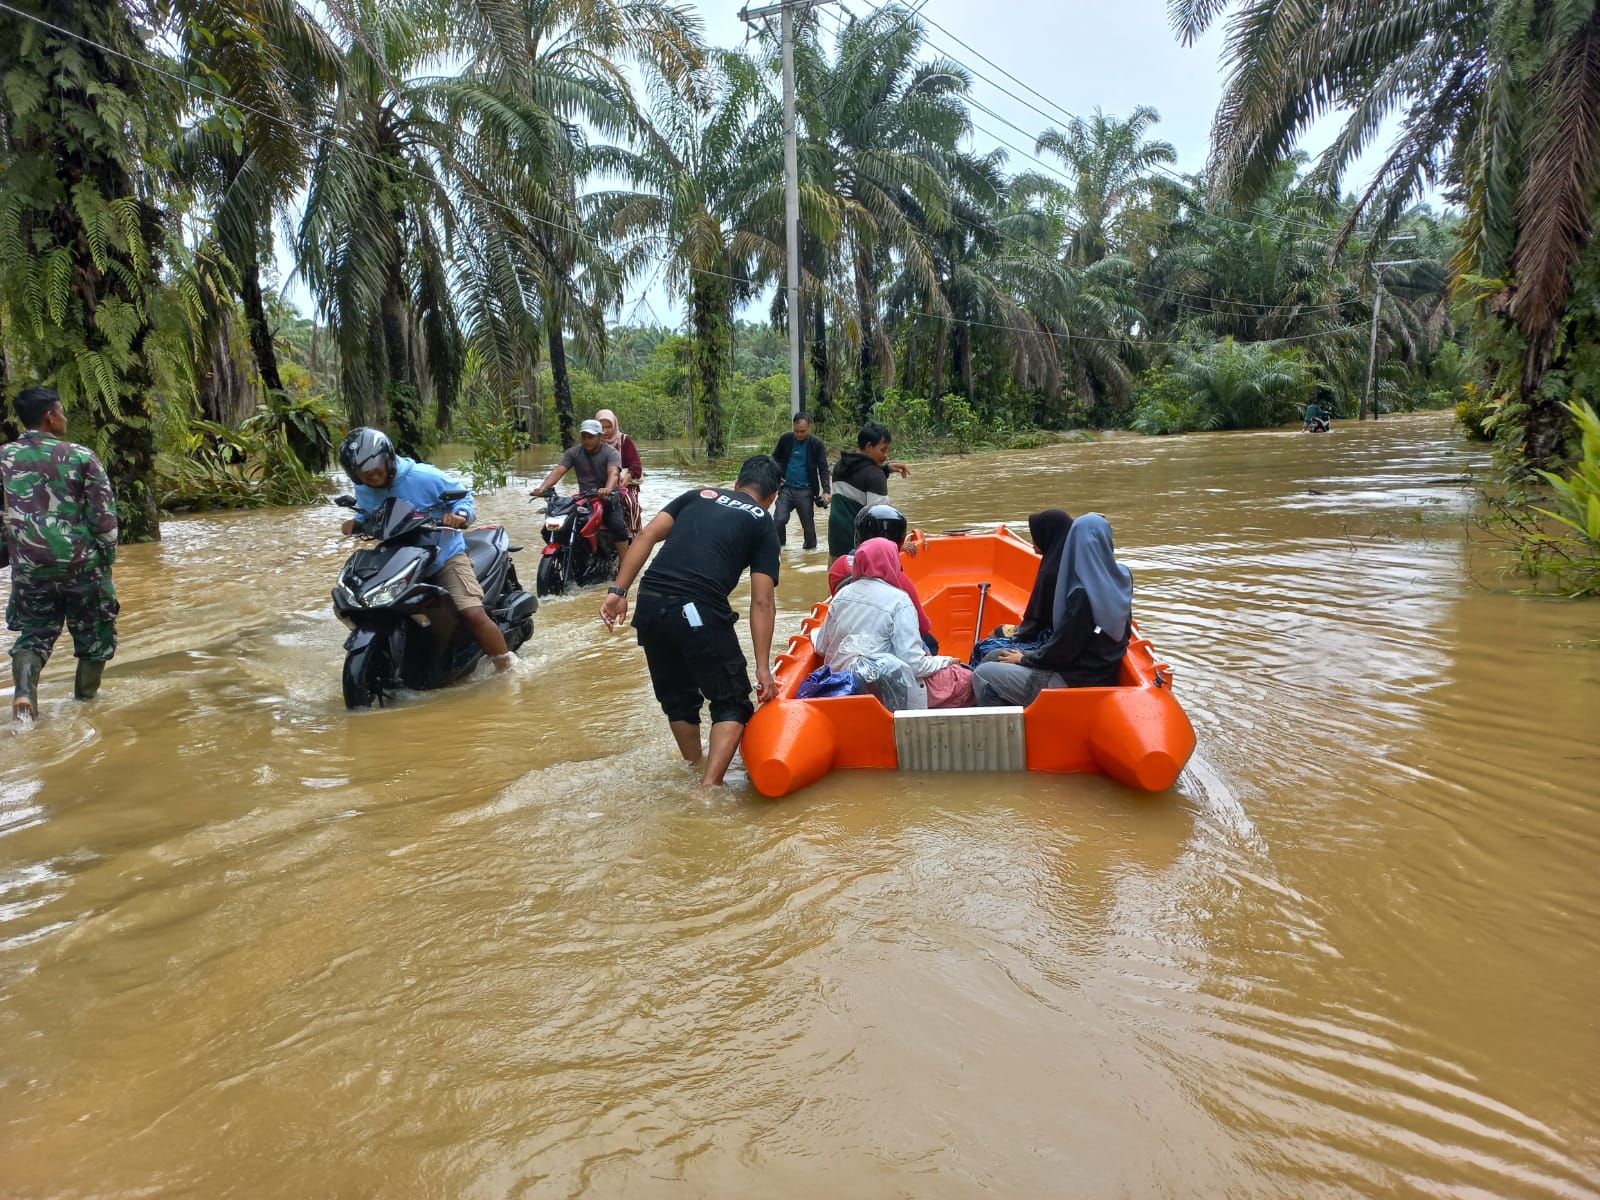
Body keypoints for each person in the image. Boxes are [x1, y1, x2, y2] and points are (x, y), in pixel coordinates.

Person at [600, 455, 782, 789]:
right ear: (773, 496)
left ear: (738, 482)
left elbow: (645, 537)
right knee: (733, 702)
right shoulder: (761, 520)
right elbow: (762, 600)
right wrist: (762, 667)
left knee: (678, 698)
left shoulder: (698, 494)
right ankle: (708, 788)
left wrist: (618, 590)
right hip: (696, 608)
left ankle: (693, 768)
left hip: (650, 604)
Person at [339, 427, 515, 672]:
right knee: (368, 603)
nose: (371, 476)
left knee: (472, 613)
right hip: (398, 556)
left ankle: (507, 667)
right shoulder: (363, 488)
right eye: (362, 473)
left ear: (387, 458)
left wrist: (460, 515)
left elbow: (464, 496)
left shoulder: (423, 476)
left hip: (443, 554)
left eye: (374, 469)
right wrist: (357, 522)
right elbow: (371, 513)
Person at [1, 386, 120, 719]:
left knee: (34, 634)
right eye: (62, 411)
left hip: (30, 567)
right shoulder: (81, 456)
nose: (65, 416)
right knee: (96, 636)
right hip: (83, 566)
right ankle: (85, 705)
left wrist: (12, 555)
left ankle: (25, 694)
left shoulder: (3, 458)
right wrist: (105, 561)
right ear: (49, 416)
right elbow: (104, 520)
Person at [972, 513, 1132, 707]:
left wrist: (1025, 659)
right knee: (995, 656)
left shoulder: (1083, 593)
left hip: (1074, 679)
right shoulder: (1122, 578)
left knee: (984, 673)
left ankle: (1006, 733)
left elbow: (1063, 651)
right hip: (1096, 670)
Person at [813, 537, 972, 710]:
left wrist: (815, 632)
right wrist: (947, 661)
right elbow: (915, 665)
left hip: (843, 687)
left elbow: (821, 646)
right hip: (887, 691)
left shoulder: (841, 596)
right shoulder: (899, 601)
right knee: (969, 680)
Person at [969, 509, 1073, 664]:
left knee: (982, 647)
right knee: (999, 631)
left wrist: (1018, 636)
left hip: (1047, 640)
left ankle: (971, 683)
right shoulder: (1063, 560)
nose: (1033, 543)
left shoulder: (1051, 572)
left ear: (1047, 535)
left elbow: (1037, 623)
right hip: (1052, 635)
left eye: (1036, 537)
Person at [533, 418, 630, 544]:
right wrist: (543, 488)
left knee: (617, 528)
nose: (587, 440)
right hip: (585, 498)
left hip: (609, 498)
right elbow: (558, 471)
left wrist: (607, 489)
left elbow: (614, 473)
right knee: (550, 529)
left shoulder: (610, 453)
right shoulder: (573, 452)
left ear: (600, 436)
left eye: (591, 437)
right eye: (584, 437)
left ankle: (624, 563)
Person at [828, 422, 909, 558]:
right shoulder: (875, 476)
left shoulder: (840, 466)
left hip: (836, 542)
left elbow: (859, 477)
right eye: (883, 450)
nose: (886, 455)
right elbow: (881, 519)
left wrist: (884, 469)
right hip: (860, 549)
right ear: (869, 446)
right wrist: (899, 543)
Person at [769, 411, 831, 549]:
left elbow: (823, 468)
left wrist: (826, 491)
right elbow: (774, 459)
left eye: (802, 431)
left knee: (809, 529)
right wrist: (775, 478)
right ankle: (781, 550)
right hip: (786, 489)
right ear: (793, 427)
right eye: (796, 431)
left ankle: (810, 555)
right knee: (778, 520)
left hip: (806, 491)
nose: (799, 434)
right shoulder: (786, 439)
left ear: (809, 427)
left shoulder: (817, 444)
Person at [596, 408, 643, 533]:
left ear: (614, 425)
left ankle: (636, 533)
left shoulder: (623, 440)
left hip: (624, 484)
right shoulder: (593, 442)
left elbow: (636, 466)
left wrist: (626, 478)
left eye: (608, 427)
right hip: (600, 484)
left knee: (631, 504)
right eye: (601, 427)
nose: (605, 431)